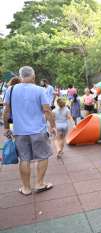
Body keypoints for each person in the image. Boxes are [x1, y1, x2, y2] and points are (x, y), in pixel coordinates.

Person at [3, 66, 57, 195]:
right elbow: (47, 110)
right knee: (43, 156)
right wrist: (53, 126)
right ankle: (39, 183)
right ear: (33, 76)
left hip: (20, 131)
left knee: (24, 159)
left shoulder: (11, 90)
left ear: (20, 77)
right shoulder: (39, 90)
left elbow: (6, 110)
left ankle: (26, 188)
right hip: (38, 130)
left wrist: (6, 127)